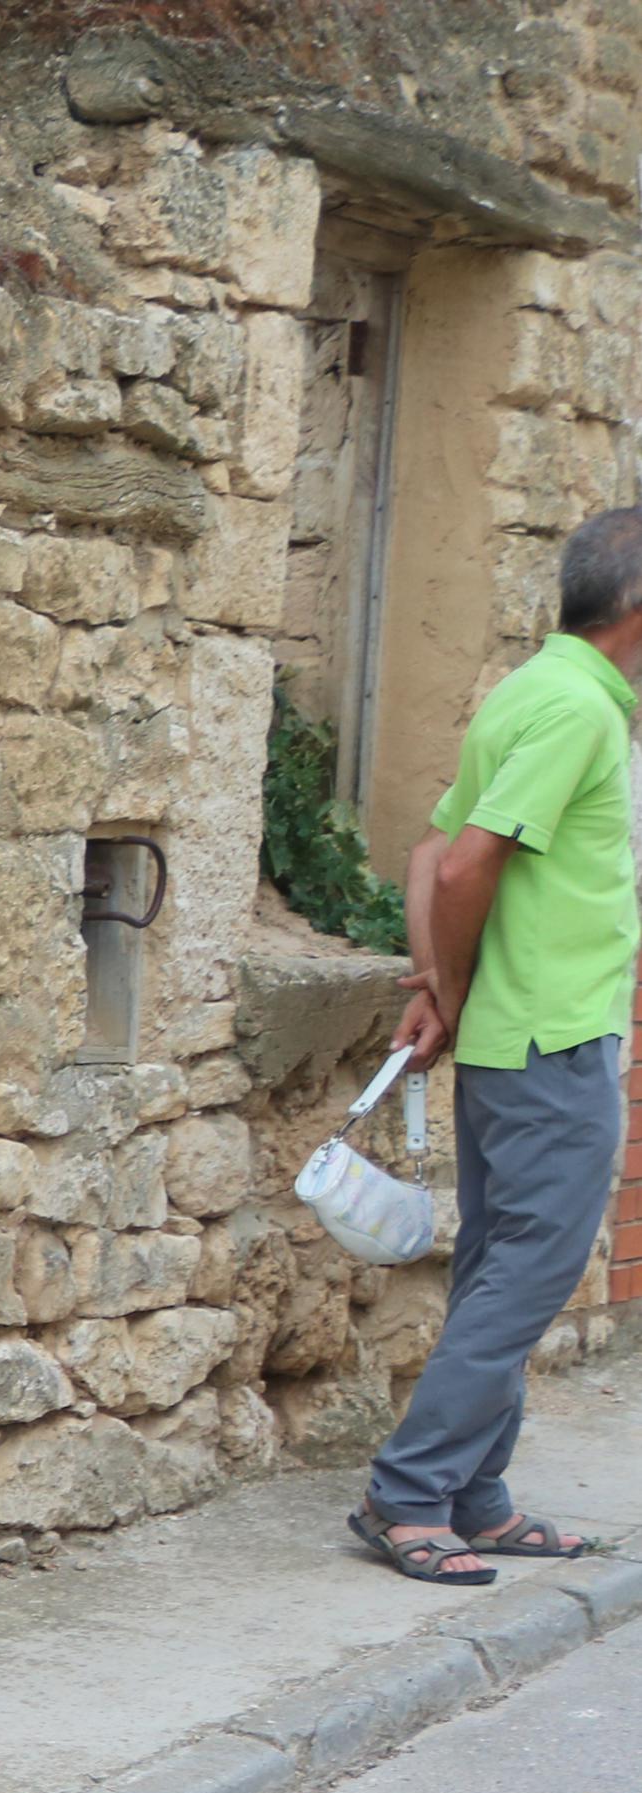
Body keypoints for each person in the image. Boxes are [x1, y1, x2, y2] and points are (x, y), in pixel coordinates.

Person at [355, 505, 642, 1585]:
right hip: (550, 1039)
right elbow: (468, 863)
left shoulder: (530, 689)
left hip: (511, 1040)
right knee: (528, 1274)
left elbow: (429, 851)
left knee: (493, 1269)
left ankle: (473, 1495)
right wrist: (457, 986)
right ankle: (407, 1491)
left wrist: (434, 986)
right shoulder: (577, 713)